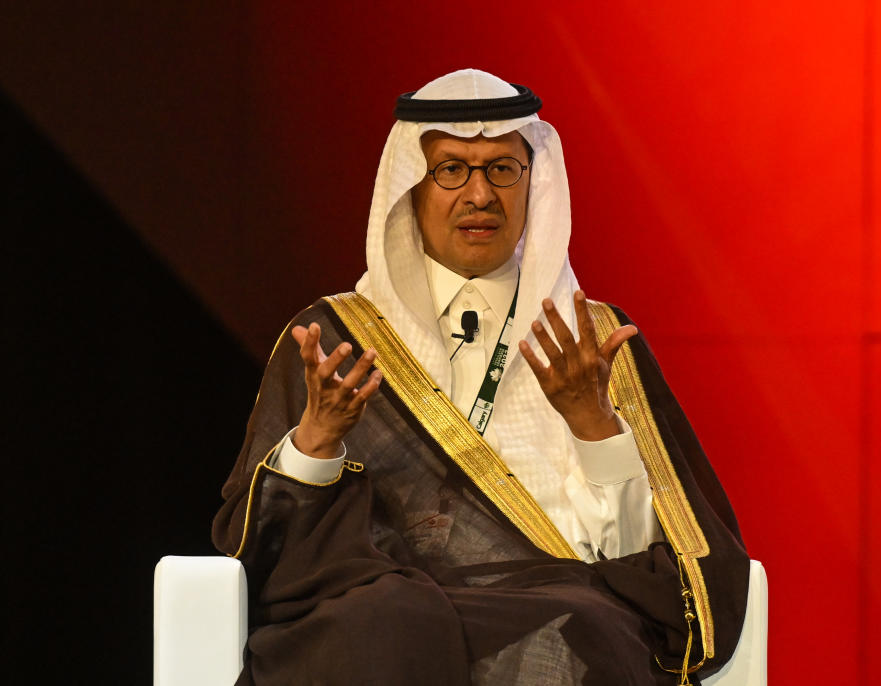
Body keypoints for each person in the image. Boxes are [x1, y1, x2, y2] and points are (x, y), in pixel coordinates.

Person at [214, 69, 750, 686]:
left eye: (502, 169)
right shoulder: (338, 337)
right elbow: (267, 551)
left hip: (554, 605)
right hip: (377, 613)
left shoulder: (593, 341)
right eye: (451, 170)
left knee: (583, 631)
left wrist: (593, 427)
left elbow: (646, 567)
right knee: (384, 623)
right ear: (411, 187)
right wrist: (318, 443)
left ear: (534, 182)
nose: (479, 195)